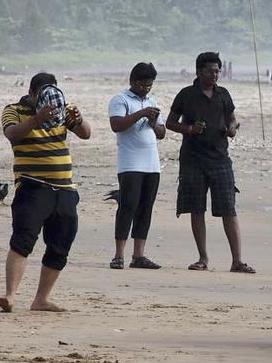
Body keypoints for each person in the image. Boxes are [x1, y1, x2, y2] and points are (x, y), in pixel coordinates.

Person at [0, 72, 91, 312]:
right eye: (42, 96)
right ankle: (10, 295)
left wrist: (78, 120)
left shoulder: (60, 108)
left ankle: (41, 299)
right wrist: (37, 119)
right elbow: (12, 134)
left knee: (61, 244)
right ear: (32, 93)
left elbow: (86, 133)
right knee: (23, 239)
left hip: (64, 187)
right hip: (32, 185)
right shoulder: (14, 110)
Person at [166, 52, 254, 273]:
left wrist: (232, 128)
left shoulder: (223, 94)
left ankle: (237, 260)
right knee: (197, 209)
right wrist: (189, 129)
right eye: (209, 71)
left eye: (217, 71)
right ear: (198, 72)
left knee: (228, 209)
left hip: (220, 159)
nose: (214, 75)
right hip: (193, 159)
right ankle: (203, 258)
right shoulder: (186, 95)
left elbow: (232, 118)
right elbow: (169, 122)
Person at [107, 62, 166, 270]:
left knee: (145, 208)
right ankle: (119, 254)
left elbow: (161, 133)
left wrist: (153, 121)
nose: (146, 89)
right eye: (142, 85)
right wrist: (141, 114)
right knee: (128, 206)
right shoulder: (120, 100)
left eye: (149, 85)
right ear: (132, 82)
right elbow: (117, 126)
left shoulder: (152, 100)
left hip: (152, 164)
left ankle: (138, 254)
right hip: (130, 162)